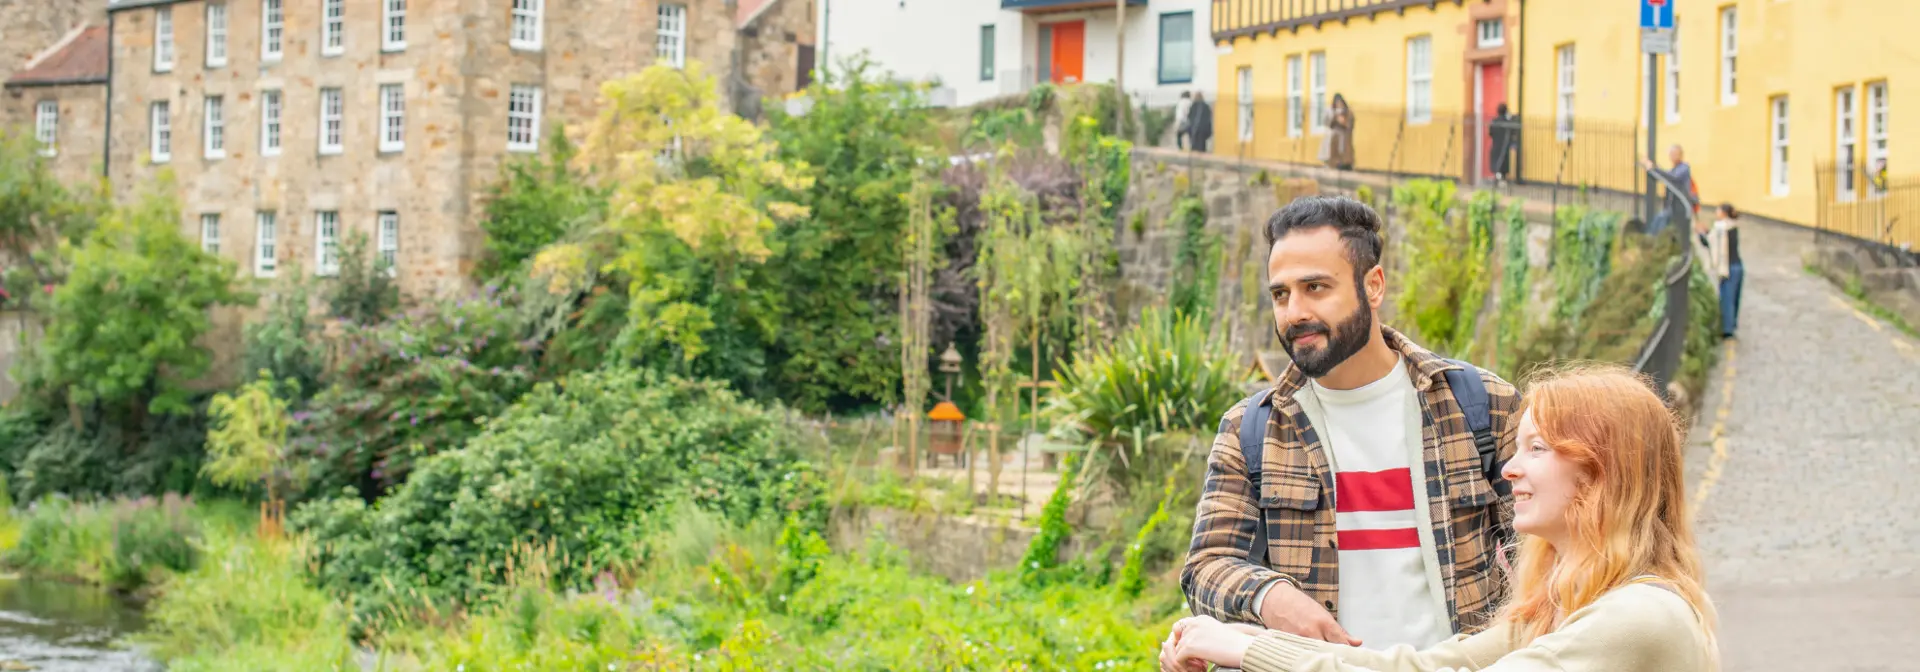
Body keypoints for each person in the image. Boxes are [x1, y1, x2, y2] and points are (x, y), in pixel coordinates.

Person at [1162, 363, 1721, 672]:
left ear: (1604, 471)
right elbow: (1419, 667)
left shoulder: (1639, 618)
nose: (1509, 469)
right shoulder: (1562, 610)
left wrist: (1245, 650)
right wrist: (1236, 631)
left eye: (1538, 449)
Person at [1179, 196, 1520, 654]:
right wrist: (1269, 596)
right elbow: (1206, 565)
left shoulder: (1481, 405)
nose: (1294, 311)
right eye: (1280, 294)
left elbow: (1555, 552)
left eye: (1315, 287)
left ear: (1373, 285)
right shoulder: (1251, 430)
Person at [1640, 145, 1697, 235]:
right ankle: (1650, 241)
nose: (1673, 156)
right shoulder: (1675, 169)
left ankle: (1652, 241)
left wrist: (1652, 168)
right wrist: (1652, 168)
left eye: (1675, 154)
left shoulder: (1684, 168)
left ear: (1681, 155)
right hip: (1672, 207)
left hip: (1680, 208)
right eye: (1671, 154)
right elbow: (1664, 176)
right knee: (1658, 221)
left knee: (1661, 222)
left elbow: (1671, 178)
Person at [1709, 204, 1744, 339]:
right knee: (1734, 298)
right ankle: (1731, 325)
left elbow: (1711, 243)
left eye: (1718, 210)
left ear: (1723, 213)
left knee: (1726, 299)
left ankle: (1727, 329)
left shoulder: (1721, 228)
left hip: (1728, 268)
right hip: (1738, 266)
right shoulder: (1734, 226)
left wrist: (1702, 235)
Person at [1487, 104, 1520, 185]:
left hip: (1495, 144)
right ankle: (1502, 178)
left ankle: (1497, 177)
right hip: (1504, 145)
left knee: (1496, 161)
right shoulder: (1507, 122)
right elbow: (1513, 132)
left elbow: (1490, 133)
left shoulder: (1494, 121)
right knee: (1503, 161)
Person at [1322, 94, 1355, 171]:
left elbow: (1349, 124)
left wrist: (1343, 122)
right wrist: (1336, 118)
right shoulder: (1334, 112)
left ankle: (1347, 164)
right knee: (1335, 150)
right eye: (1337, 103)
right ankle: (1336, 164)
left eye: (1340, 103)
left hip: (1345, 135)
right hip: (1336, 135)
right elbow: (1330, 124)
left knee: (1345, 150)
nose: (1339, 105)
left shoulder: (1348, 112)